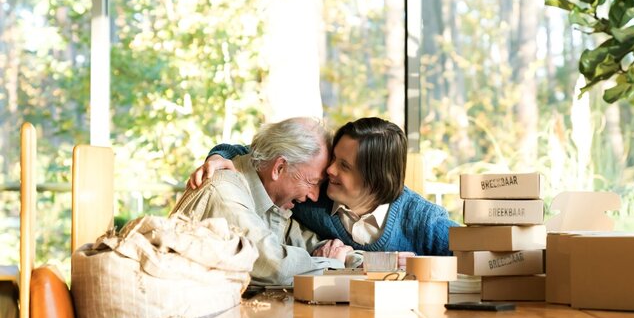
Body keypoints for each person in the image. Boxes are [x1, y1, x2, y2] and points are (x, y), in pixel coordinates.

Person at [188, 117, 457, 264]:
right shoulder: (310, 196)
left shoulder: (421, 218)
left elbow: (479, 249)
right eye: (333, 160)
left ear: (375, 181)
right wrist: (218, 156)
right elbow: (259, 159)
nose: (329, 172)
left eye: (344, 166)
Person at [172, 116, 354, 286]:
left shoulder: (269, 201)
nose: (314, 196)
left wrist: (344, 256)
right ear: (279, 167)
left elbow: (309, 245)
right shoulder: (225, 193)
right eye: (312, 182)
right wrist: (332, 264)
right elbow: (276, 266)